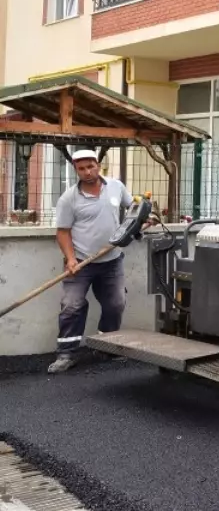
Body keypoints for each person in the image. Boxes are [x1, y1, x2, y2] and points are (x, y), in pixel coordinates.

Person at [48, 150, 133, 374]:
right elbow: (63, 232)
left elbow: (133, 209)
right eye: (82, 168)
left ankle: (107, 347)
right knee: (71, 305)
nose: (87, 172)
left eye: (90, 166)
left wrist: (145, 218)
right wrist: (71, 258)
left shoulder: (116, 187)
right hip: (81, 263)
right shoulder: (69, 198)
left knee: (116, 303)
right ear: (76, 170)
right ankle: (66, 354)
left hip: (112, 260)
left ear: (98, 164)